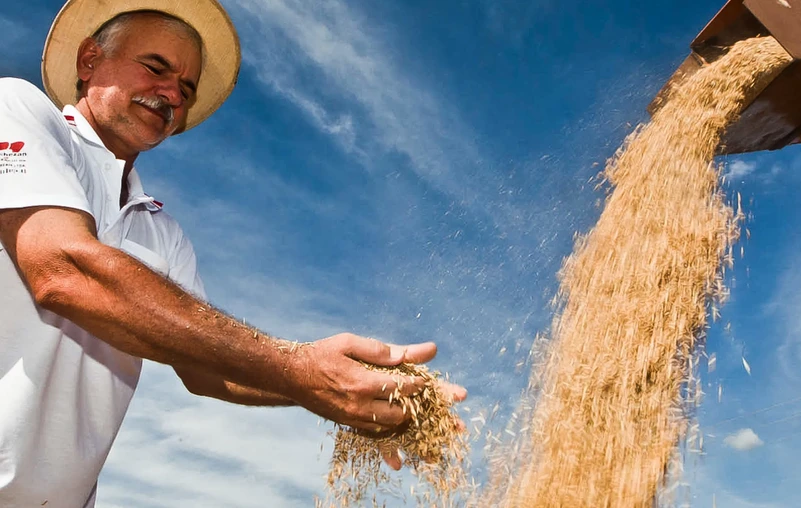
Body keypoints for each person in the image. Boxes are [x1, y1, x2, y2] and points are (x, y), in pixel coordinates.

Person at [0, 1, 466, 506]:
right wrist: (306, 371)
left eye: (186, 88)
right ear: (89, 61)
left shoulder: (163, 233)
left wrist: (344, 391)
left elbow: (207, 369)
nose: (171, 93)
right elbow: (63, 270)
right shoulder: (16, 108)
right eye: (156, 68)